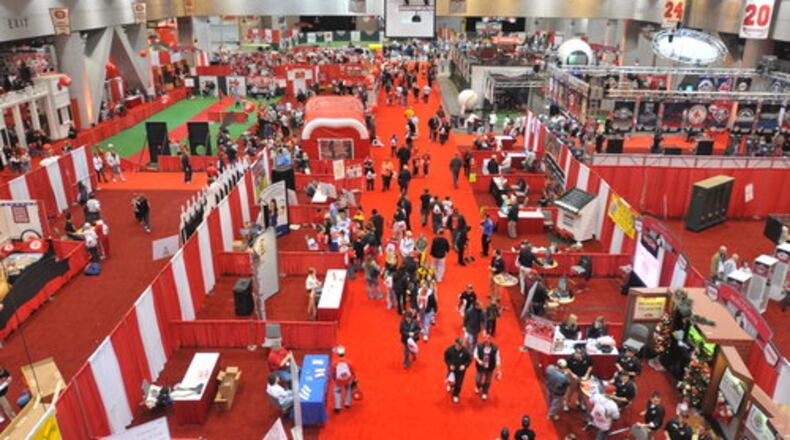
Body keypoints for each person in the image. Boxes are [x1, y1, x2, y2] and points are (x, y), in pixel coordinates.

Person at [473, 335, 502, 401]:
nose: (487, 342)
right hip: (480, 367)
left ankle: (485, 392)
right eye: (486, 340)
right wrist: (478, 360)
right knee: (478, 380)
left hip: (490, 368)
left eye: (488, 340)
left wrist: (499, 370)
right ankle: (478, 386)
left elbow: (498, 359)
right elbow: (475, 354)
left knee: (488, 381)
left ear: (490, 340)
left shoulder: (495, 348)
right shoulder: (479, 346)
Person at [444, 338, 472, 403]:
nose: (460, 346)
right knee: (451, 380)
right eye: (458, 344)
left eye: (461, 345)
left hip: (460, 371)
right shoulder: (450, 350)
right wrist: (449, 365)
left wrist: (464, 366)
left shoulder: (465, 351)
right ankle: (450, 385)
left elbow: (469, 360)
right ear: (455, 343)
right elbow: (446, 358)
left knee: (458, 384)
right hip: (452, 370)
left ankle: (455, 395)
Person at [565, 347, 592, 412]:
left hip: (583, 377)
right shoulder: (570, 358)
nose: (579, 357)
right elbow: (566, 368)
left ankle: (580, 402)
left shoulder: (587, 357)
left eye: (581, 356)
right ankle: (566, 404)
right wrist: (572, 374)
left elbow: (590, 366)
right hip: (573, 377)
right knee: (570, 390)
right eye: (577, 355)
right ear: (575, 353)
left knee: (582, 391)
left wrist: (587, 374)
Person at [331, 346, 355, 413]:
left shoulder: (335, 363)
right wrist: (354, 378)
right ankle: (347, 403)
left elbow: (333, 373)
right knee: (348, 389)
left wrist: (335, 380)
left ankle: (337, 407)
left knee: (337, 391)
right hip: (348, 379)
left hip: (339, 380)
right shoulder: (348, 362)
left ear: (338, 354)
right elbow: (352, 371)